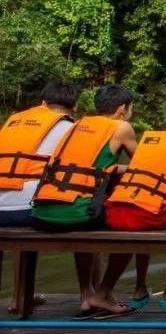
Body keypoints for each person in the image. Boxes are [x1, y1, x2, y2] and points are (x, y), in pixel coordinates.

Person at [31, 84, 138, 316]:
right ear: (123, 109)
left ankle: (86, 294)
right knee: (131, 230)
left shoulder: (78, 124)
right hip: (76, 213)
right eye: (131, 107)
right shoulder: (121, 127)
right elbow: (143, 167)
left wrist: (111, 168)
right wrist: (120, 169)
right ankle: (103, 293)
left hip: (44, 210)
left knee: (85, 210)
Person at [92, 119, 166, 311]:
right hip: (141, 217)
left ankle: (138, 288)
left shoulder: (143, 151)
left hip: (113, 213)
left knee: (141, 222)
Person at [0, 80, 78, 313]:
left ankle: (18, 297)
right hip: (27, 211)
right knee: (85, 215)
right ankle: (90, 294)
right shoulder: (71, 128)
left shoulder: (13, 122)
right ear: (74, 107)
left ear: (43, 103)